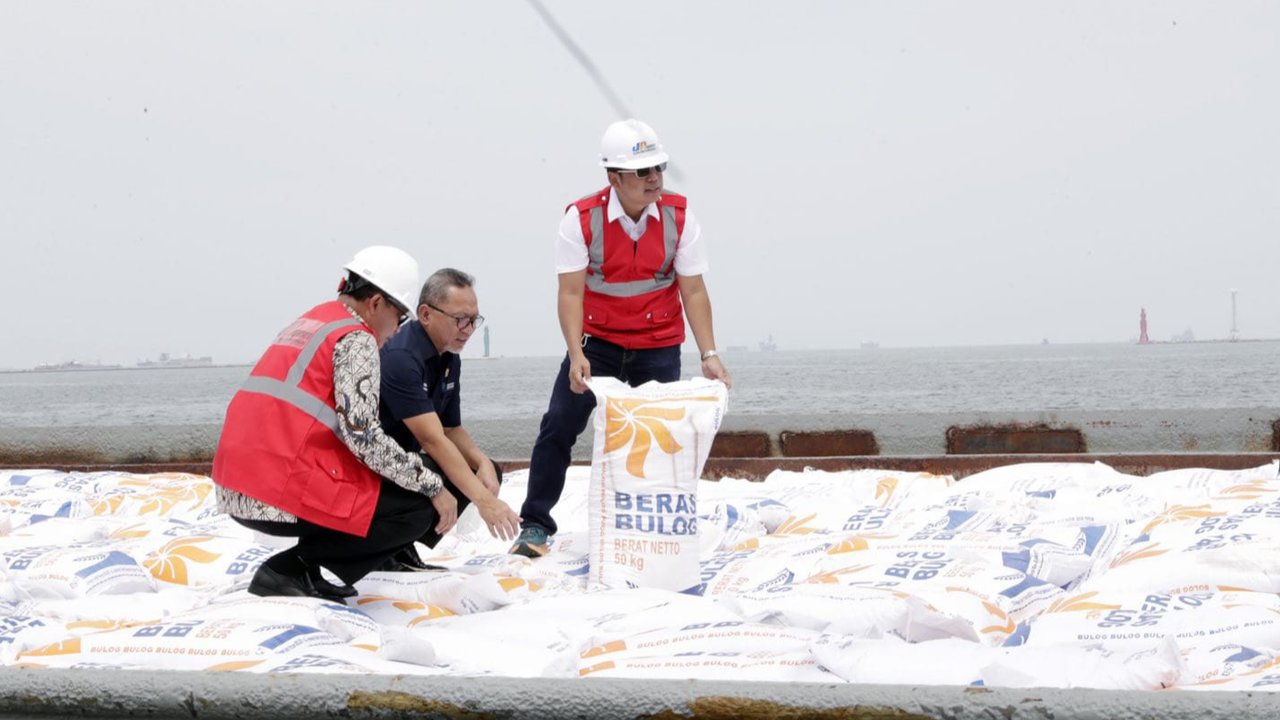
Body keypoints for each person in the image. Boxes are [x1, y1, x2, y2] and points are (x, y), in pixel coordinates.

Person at [510, 118, 732, 558]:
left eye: (659, 168)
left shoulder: (680, 217)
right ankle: (535, 526)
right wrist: (575, 354)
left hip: (657, 343)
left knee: (661, 437)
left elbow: (693, 290)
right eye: (642, 171)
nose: (655, 179)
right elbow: (571, 293)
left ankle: (656, 529)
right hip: (597, 343)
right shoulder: (581, 219)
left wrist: (709, 353)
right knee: (559, 425)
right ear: (614, 178)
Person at [212, 246, 458, 601]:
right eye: (400, 317)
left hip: (236, 483)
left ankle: (316, 565)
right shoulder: (357, 339)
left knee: (384, 484)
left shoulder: (312, 320)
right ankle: (288, 570)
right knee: (416, 507)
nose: (398, 329)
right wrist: (433, 487)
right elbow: (365, 438)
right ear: (376, 303)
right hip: (273, 493)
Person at [378, 268, 521, 568]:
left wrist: (482, 462)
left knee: (484, 469)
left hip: (404, 460)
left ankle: (400, 546)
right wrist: (486, 503)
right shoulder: (401, 357)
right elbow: (432, 439)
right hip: (374, 466)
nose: (468, 329)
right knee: (440, 482)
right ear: (426, 314)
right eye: (460, 319)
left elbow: (450, 427)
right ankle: (381, 550)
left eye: (474, 320)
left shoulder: (449, 357)